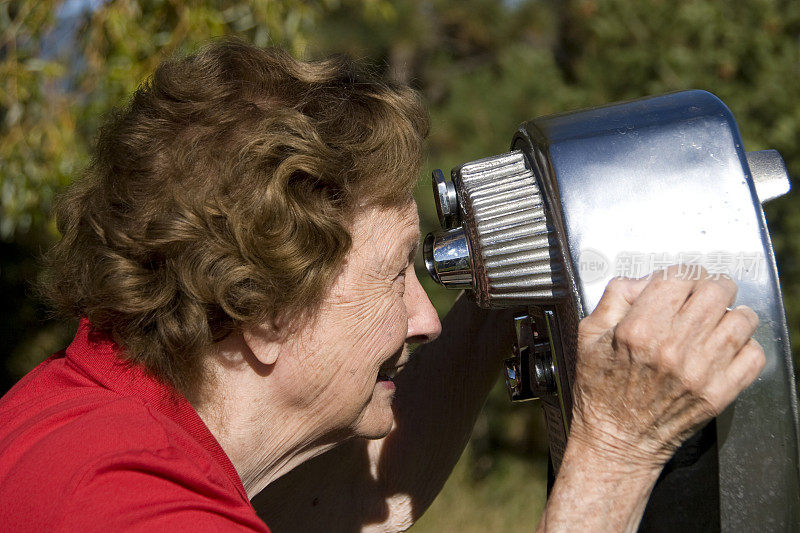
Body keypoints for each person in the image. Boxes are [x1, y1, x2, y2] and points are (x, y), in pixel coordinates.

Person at [0, 39, 764, 532]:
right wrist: (619, 449)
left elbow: (359, 502)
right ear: (266, 313)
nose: (422, 318)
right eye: (395, 273)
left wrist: (511, 288)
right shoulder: (119, 509)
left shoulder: (94, 414)